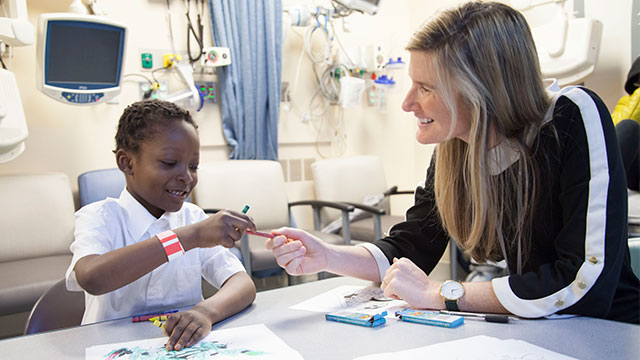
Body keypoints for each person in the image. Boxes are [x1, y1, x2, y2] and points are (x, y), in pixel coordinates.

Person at [267, 1, 639, 323]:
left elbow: (581, 283)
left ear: (480, 91)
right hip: (539, 330)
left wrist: (442, 294)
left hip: (609, 328)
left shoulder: (572, 117)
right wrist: (326, 254)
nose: (408, 103)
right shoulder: (456, 147)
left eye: (425, 88)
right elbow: (411, 247)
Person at [65, 99, 257, 350]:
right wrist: (190, 238)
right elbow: (93, 278)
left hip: (181, 350)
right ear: (127, 163)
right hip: (112, 349)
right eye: (169, 163)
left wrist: (205, 312)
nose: (186, 177)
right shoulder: (99, 218)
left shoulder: (192, 218)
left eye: (193, 166)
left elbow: (242, 284)